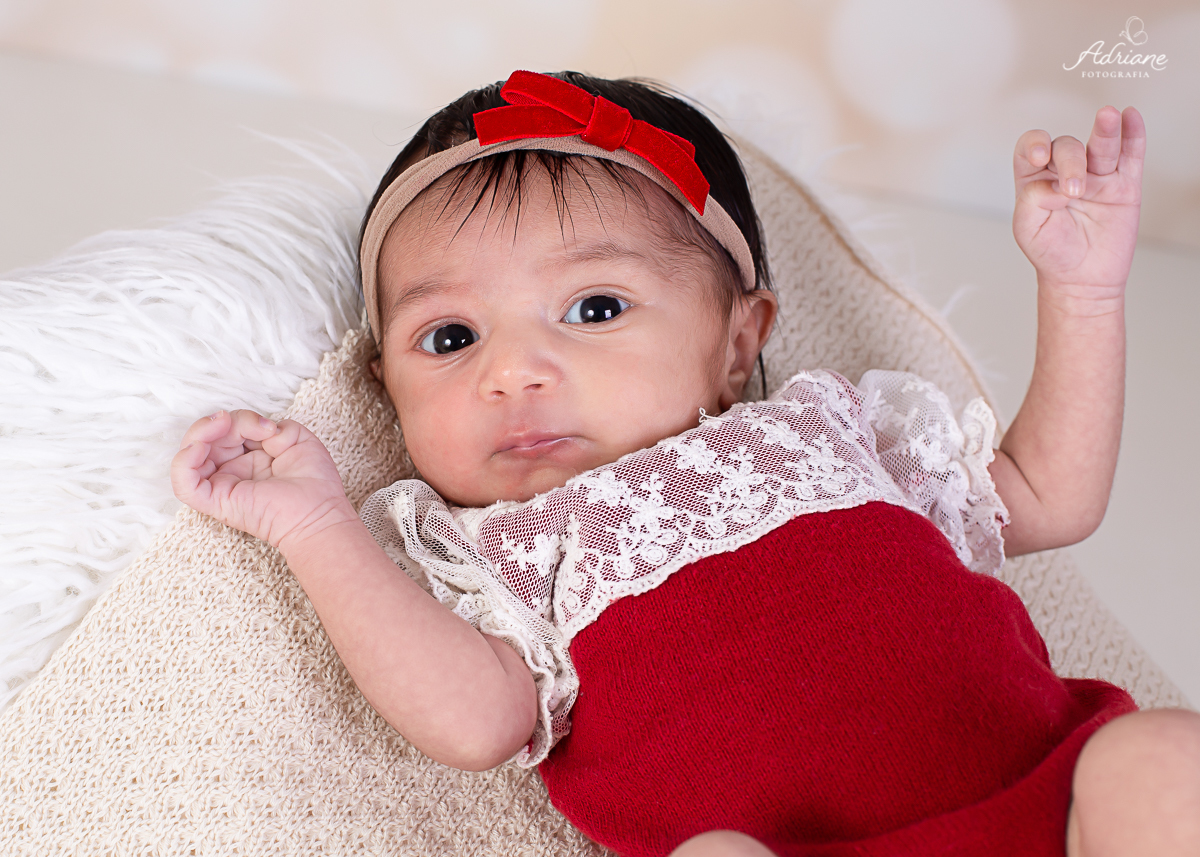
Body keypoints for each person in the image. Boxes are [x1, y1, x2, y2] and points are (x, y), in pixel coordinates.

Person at [170, 71, 1200, 856]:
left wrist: (1083, 294)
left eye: (594, 307)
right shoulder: (500, 551)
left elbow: (1046, 495)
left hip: (1047, 803)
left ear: (739, 342)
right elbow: (476, 720)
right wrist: (316, 523)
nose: (512, 371)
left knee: (1162, 755)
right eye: (450, 337)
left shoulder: (828, 431)